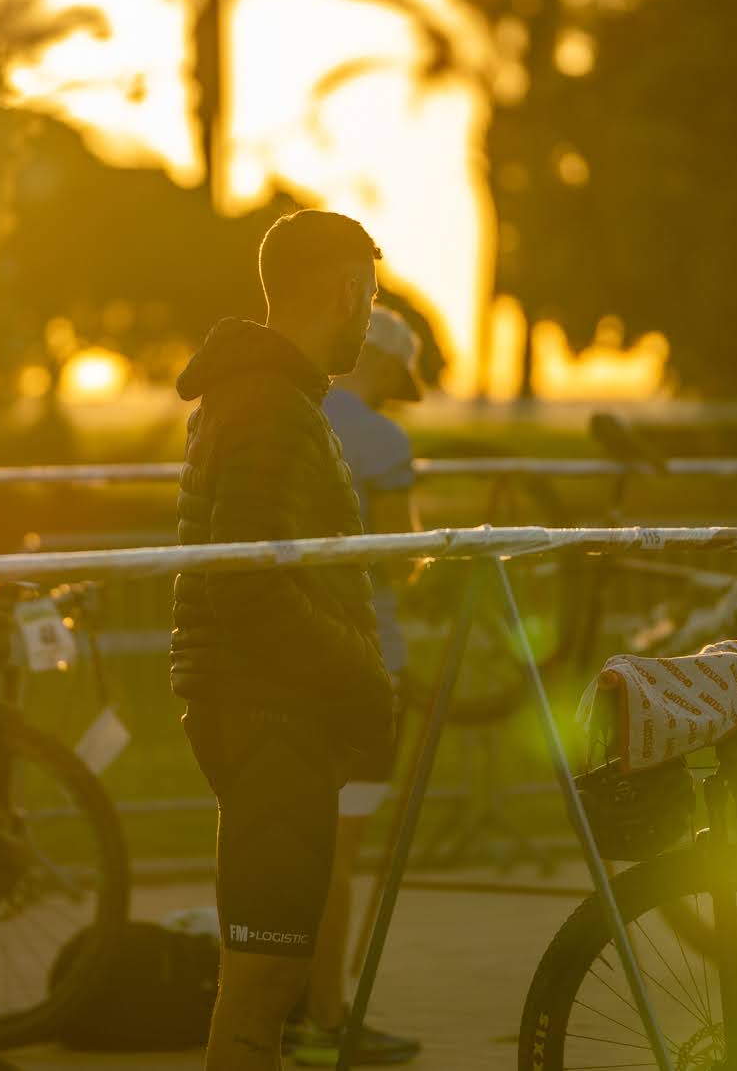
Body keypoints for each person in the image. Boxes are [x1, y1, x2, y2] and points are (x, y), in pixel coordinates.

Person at [171, 210, 399, 1071]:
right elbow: (254, 590)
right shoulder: (268, 404)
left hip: (262, 707)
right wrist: (362, 679)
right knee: (265, 981)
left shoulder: (267, 391)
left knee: (266, 973)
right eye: (370, 299)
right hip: (266, 712)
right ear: (346, 293)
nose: (371, 317)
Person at [286, 308, 427, 1065]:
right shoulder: (384, 440)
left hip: (292, 654)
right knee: (342, 848)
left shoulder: (294, 416)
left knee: (288, 840)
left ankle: (278, 1003)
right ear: (383, 362)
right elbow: (402, 557)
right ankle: (327, 1016)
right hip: (369, 660)